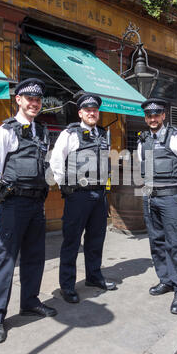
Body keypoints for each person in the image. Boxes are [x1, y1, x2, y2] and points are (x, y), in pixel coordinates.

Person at [0, 78, 57, 344]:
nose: (34, 103)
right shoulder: (5, 131)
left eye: (38, 100)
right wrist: (2, 199)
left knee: (35, 257)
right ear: (19, 100)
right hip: (13, 204)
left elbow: (45, 168)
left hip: (36, 204)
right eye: (30, 99)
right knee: (5, 260)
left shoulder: (42, 132)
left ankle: (30, 302)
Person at [49, 92, 116, 304]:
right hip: (78, 195)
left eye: (95, 110)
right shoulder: (70, 133)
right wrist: (65, 186)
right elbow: (56, 161)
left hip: (99, 195)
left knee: (96, 239)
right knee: (72, 241)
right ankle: (67, 286)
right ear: (80, 113)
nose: (92, 113)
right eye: (87, 110)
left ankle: (94, 277)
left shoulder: (103, 134)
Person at [138, 98, 177, 314]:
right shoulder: (143, 140)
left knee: (176, 243)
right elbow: (146, 170)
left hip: (170, 198)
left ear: (164, 115)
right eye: (149, 115)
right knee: (157, 242)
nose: (152, 118)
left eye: (156, 114)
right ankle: (166, 280)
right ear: (146, 118)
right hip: (150, 197)